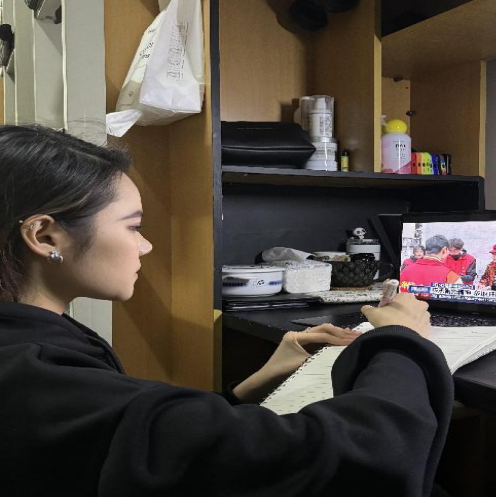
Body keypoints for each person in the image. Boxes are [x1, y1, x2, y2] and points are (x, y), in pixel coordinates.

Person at [0, 125, 454, 497]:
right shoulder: (36, 379)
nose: (146, 245)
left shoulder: (33, 344)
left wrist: (249, 389)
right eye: (133, 227)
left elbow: (153, 449)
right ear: (44, 236)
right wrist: (401, 340)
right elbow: (358, 454)